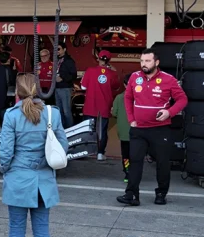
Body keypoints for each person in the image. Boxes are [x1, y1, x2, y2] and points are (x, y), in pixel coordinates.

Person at [0, 74, 63, 237]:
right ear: (38, 89)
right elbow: (62, 146)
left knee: (16, 231)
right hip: (43, 180)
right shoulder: (52, 114)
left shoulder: (12, 115)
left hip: (18, 178)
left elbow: (6, 152)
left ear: (17, 91)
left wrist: (4, 169)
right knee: (42, 231)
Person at [119, 48, 188, 207]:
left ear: (156, 62)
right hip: (138, 129)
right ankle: (131, 195)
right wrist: (131, 119)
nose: (144, 64)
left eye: (147, 61)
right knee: (135, 161)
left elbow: (182, 100)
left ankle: (161, 193)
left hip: (160, 129)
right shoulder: (135, 78)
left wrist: (169, 112)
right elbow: (128, 98)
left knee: (163, 163)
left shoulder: (168, 79)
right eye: (142, 61)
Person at [80, 50, 121, 161]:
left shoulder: (90, 70)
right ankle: (100, 153)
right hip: (104, 105)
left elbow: (83, 87)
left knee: (88, 129)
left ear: (98, 58)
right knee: (102, 130)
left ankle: (86, 151)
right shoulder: (112, 73)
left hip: (90, 104)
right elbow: (117, 87)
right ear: (109, 60)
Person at [112, 73, 133, 183]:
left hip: (124, 133)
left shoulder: (119, 98)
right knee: (136, 154)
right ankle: (136, 173)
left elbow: (114, 113)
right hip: (138, 132)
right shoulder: (142, 98)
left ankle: (127, 173)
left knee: (125, 155)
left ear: (125, 85)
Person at [54, 44, 78, 129]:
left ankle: (70, 129)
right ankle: (62, 129)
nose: (57, 51)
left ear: (64, 49)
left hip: (65, 88)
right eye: (56, 49)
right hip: (56, 88)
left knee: (66, 111)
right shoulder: (56, 60)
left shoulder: (69, 61)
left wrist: (63, 78)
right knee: (59, 111)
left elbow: (74, 75)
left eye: (59, 49)